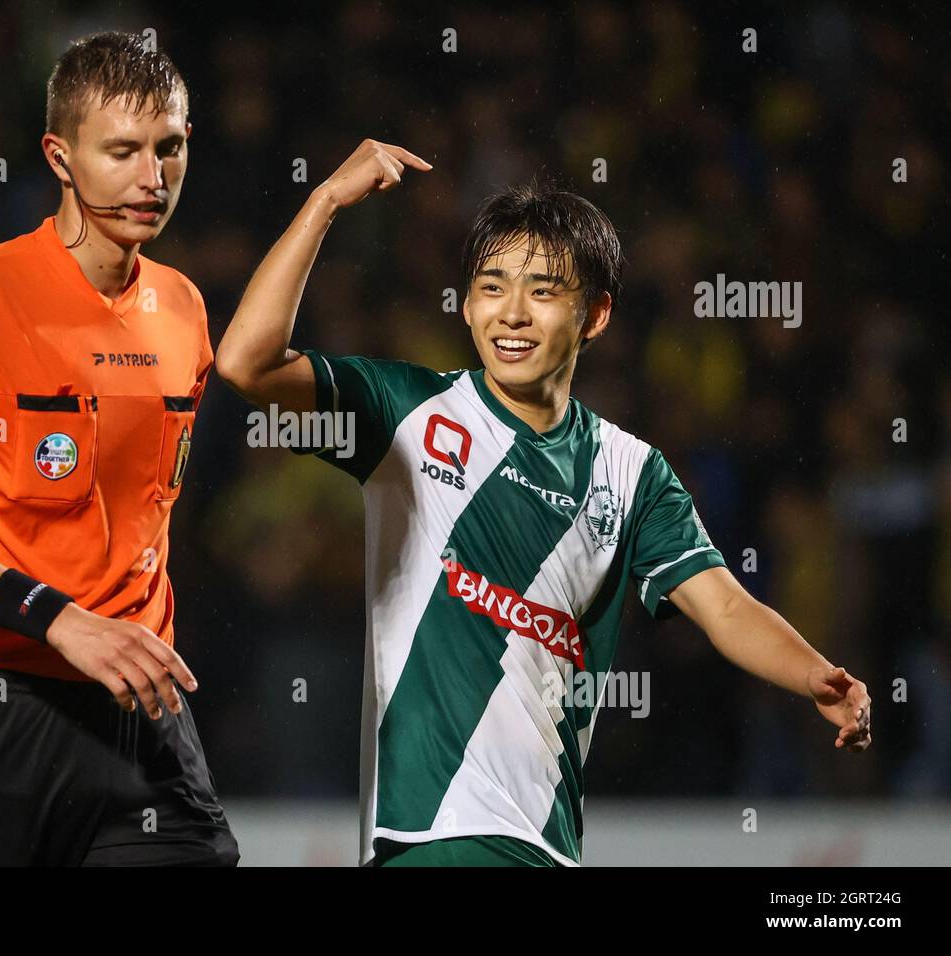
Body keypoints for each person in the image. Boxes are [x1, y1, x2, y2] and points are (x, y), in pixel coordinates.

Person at [215, 139, 872, 867]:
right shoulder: (408, 410)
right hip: (426, 833)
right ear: (465, 306)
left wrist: (814, 672)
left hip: (545, 844)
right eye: (492, 287)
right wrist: (325, 201)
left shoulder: (631, 472)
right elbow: (245, 361)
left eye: (543, 290)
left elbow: (723, 605)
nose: (513, 313)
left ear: (595, 315)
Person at [0, 32, 238, 867]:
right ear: (60, 157)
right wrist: (59, 620)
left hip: (141, 710)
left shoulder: (184, 309)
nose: (153, 177)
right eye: (123, 151)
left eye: (170, 148)